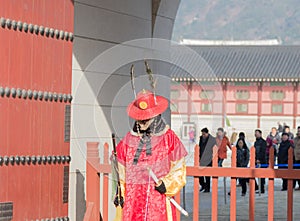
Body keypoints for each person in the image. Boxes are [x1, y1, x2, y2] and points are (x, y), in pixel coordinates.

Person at [116, 90, 187, 221]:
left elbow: (179, 169)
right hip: (133, 199)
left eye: (146, 118)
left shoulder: (169, 138)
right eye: (140, 117)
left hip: (158, 198)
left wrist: (167, 184)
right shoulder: (128, 140)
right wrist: (120, 192)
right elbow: (121, 171)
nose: (142, 121)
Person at [199, 127, 216, 192]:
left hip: (209, 159)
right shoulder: (201, 138)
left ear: (207, 133)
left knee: (207, 175)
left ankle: (207, 188)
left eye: (204, 134)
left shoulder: (211, 139)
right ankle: (203, 185)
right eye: (202, 134)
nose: (203, 135)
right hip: (202, 158)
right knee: (200, 174)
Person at [254, 129, 267, 193]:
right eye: (255, 133)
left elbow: (263, 151)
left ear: (260, 134)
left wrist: (259, 159)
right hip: (256, 160)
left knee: (262, 176)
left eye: (257, 133)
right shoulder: (256, 142)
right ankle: (257, 187)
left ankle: (262, 188)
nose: (256, 134)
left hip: (262, 161)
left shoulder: (263, 142)